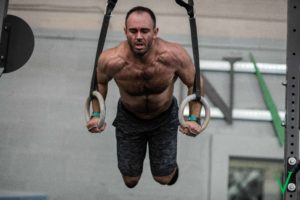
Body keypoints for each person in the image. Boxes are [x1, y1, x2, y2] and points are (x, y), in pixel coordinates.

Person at [86, 6, 204, 188]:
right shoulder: (111, 60)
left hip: (164, 117)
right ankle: (156, 162)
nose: (139, 36)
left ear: (155, 32)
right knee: (130, 181)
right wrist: (96, 115)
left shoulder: (173, 55)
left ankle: (166, 164)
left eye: (145, 31)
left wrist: (194, 118)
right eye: (133, 31)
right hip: (129, 117)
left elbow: (195, 83)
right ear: (125, 31)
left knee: (163, 178)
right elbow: (99, 84)